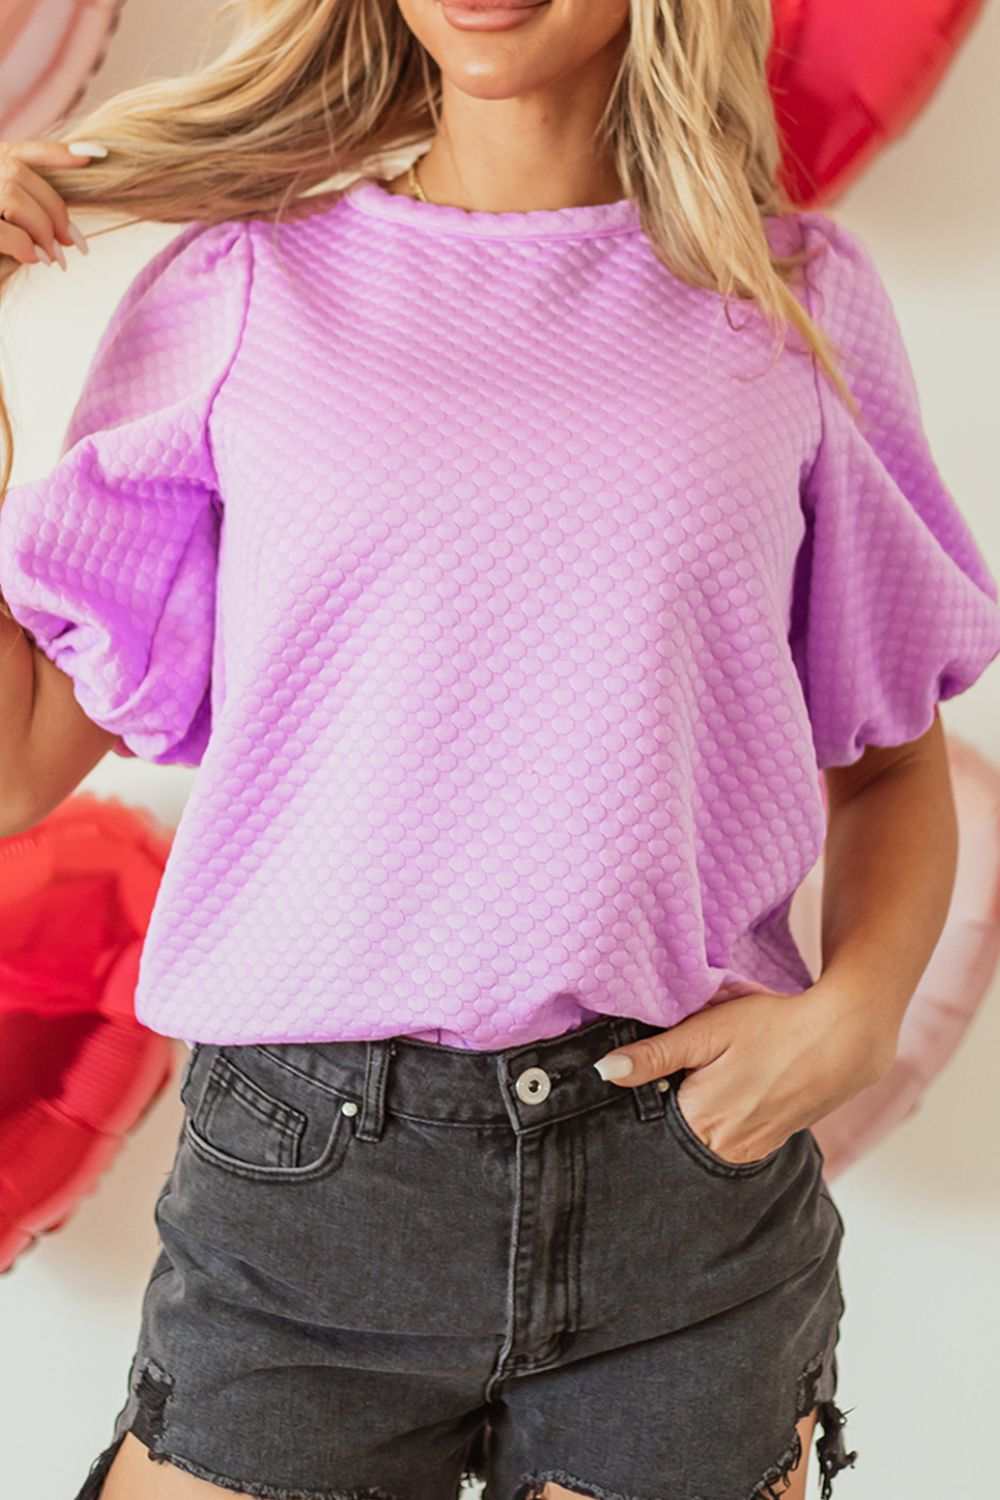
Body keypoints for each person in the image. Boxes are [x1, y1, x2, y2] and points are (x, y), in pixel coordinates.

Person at [1, 1, 998, 1497]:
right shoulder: (240, 284)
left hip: (685, 1206)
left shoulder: (789, 301)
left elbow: (892, 765)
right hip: (307, 1197)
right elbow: (16, 764)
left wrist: (856, 1017)